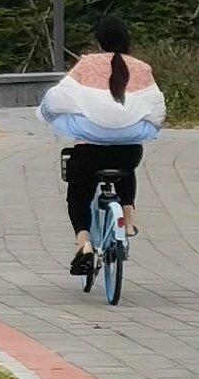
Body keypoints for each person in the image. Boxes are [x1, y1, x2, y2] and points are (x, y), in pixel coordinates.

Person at [38, 15, 166, 273]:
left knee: (78, 194)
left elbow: (57, 98)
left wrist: (48, 114)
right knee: (125, 169)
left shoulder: (87, 65)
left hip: (89, 152)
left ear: (99, 41)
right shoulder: (142, 69)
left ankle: (84, 246)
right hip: (129, 152)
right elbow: (158, 109)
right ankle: (128, 219)